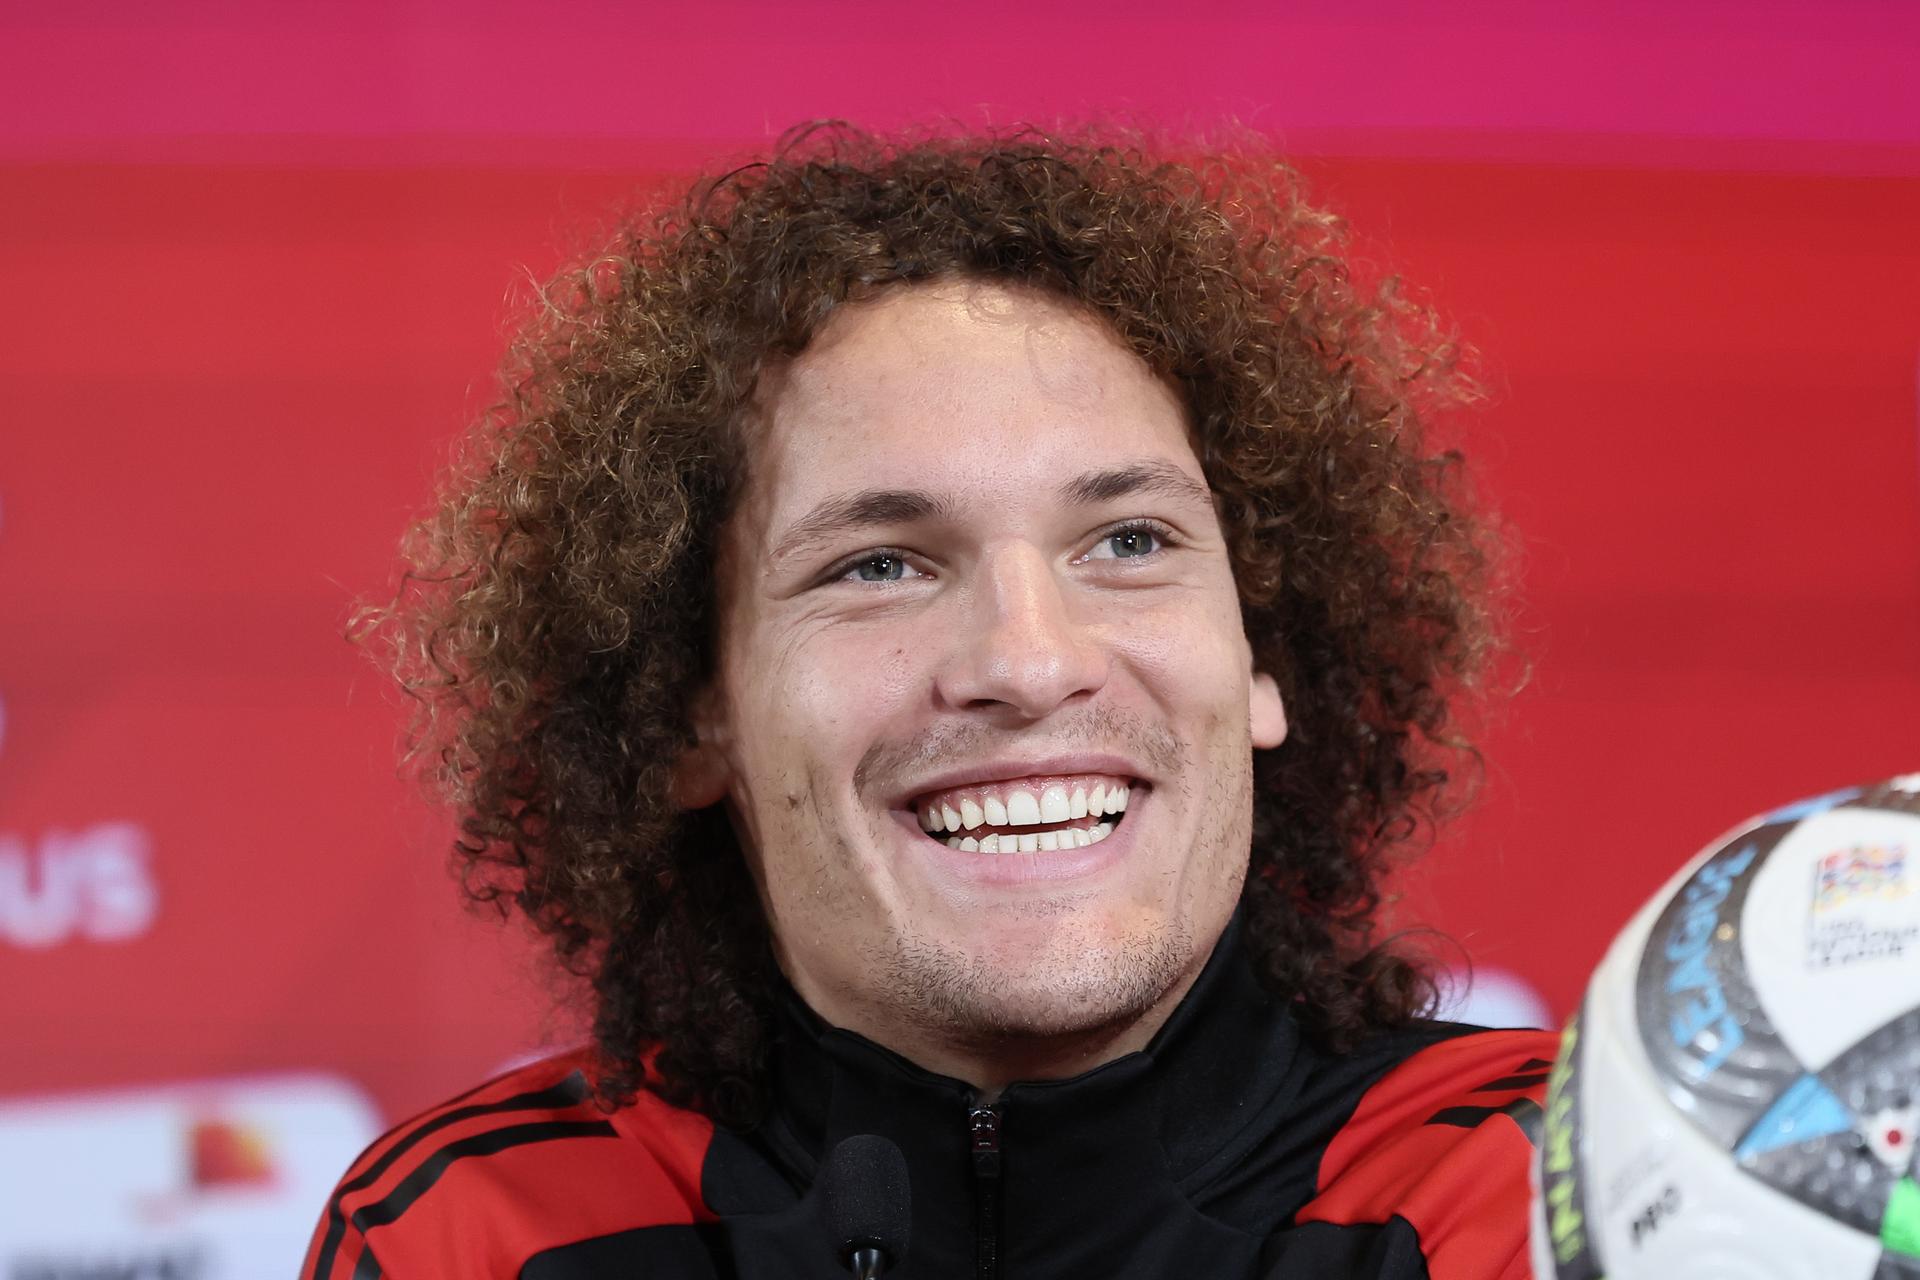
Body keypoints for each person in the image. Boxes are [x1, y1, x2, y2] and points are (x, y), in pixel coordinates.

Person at [302, 125, 1555, 1279]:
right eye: (881, 564)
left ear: (1259, 656)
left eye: (1125, 540)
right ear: (693, 713)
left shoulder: (1544, 1185)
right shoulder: (473, 1234)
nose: (1028, 658)